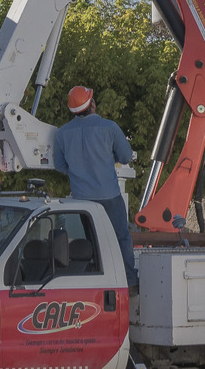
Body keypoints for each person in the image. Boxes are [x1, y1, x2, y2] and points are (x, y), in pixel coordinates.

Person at [53, 85, 138, 290]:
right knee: (121, 237)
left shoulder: (62, 134)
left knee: (90, 240)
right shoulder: (109, 128)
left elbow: (59, 166)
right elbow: (126, 156)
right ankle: (130, 282)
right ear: (92, 104)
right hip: (109, 196)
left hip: (82, 200)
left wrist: (79, 172)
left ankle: (97, 282)